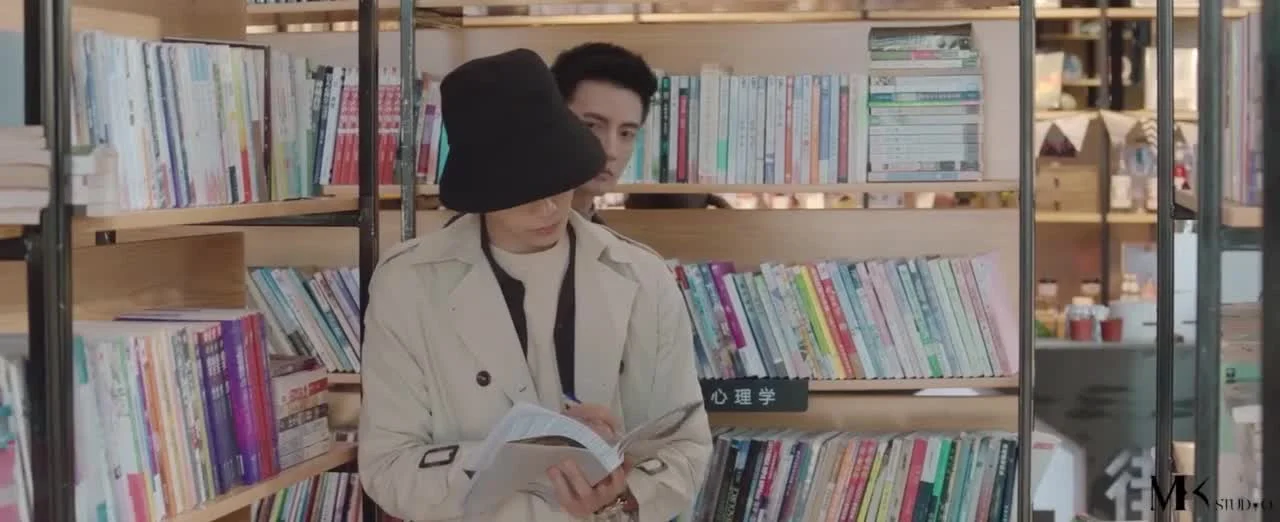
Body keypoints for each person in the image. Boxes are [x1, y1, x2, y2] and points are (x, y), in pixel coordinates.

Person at [358, 48, 712, 522]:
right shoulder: (407, 284)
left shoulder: (644, 277)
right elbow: (387, 467)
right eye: (523, 190)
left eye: (559, 180)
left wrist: (619, 500)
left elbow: (687, 448)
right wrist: (517, 456)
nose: (547, 207)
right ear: (482, 189)